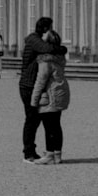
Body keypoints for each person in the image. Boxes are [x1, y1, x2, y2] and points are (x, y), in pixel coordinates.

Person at [19, 17, 67, 163]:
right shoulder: (34, 40)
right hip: (29, 86)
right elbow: (49, 49)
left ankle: (51, 154)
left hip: (37, 87)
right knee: (32, 120)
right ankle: (29, 153)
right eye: (50, 28)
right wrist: (62, 49)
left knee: (44, 121)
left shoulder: (39, 43)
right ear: (46, 29)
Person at [30, 28, 70, 165]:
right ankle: (57, 154)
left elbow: (40, 81)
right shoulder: (59, 58)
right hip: (60, 92)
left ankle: (49, 154)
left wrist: (33, 101)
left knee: (49, 126)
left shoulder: (45, 61)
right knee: (56, 125)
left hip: (51, 95)